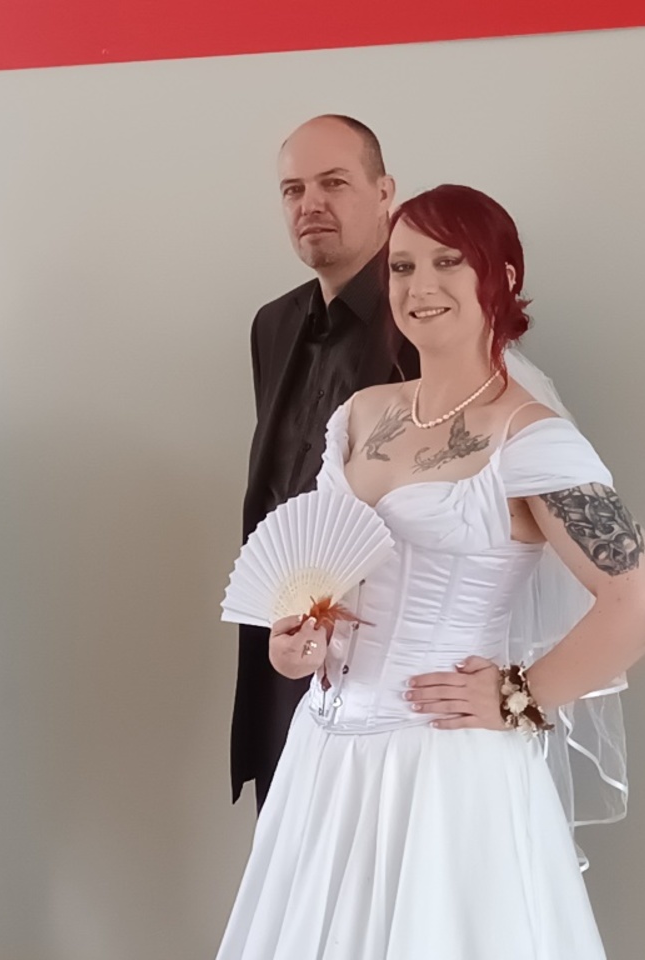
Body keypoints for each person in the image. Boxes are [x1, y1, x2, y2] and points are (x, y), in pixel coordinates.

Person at [215, 185, 645, 959]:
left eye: (447, 261)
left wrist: (520, 695)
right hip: (325, 757)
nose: (419, 285)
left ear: (501, 276)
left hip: (445, 766)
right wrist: (301, 644)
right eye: (401, 266)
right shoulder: (360, 415)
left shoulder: (528, 436)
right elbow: (333, 576)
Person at [232, 115, 420, 808]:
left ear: (384, 193)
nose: (310, 203)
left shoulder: (425, 318)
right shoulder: (273, 324)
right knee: (285, 855)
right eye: (293, 190)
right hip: (283, 646)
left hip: (384, 665)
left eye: (334, 183)